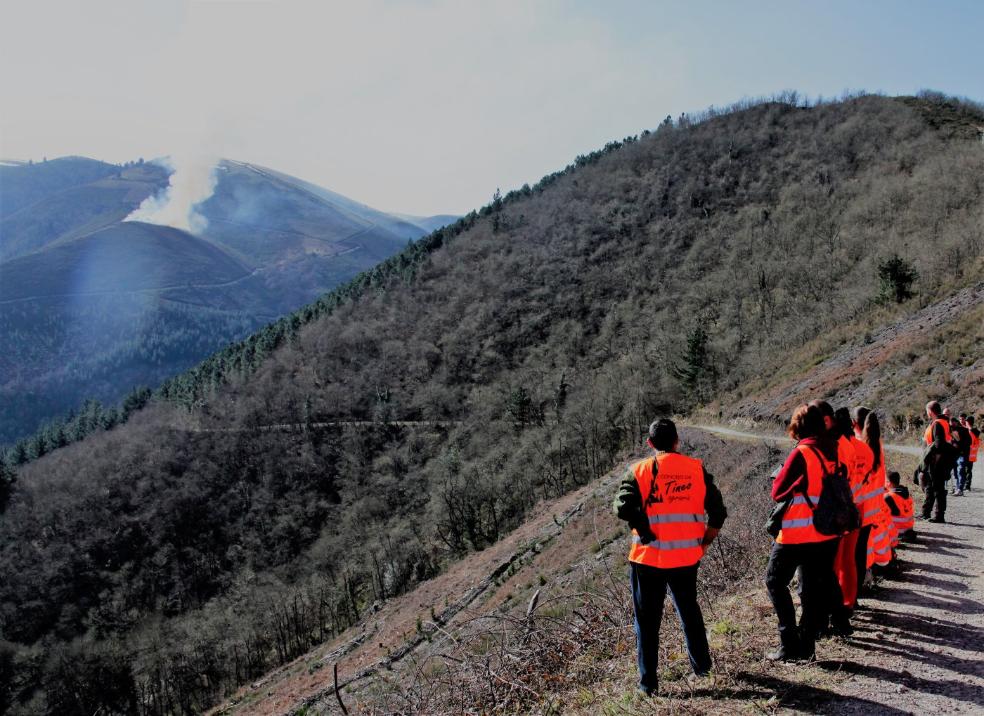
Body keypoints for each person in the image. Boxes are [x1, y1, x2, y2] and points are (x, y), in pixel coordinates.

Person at [613, 418, 727, 696]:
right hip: (687, 558)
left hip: (647, 560)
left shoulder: (638, 471)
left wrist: (642, 524)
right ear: (677, 441)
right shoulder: (696, 469)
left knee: (647, 622)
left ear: (650, 444)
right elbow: (719, 512)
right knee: (689, 611)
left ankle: (648, 685)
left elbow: (621, 507)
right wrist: (705, 542)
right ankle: (703, 668)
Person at [765, 404, 841, 662]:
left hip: (798, 532)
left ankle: (788, 642)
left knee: (775, 582)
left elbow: (777, 492)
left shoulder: (802, 452)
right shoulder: (833, 450)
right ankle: (807, 648)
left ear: (798, 426)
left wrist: (797, 484)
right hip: (827, 532)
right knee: (812, 592)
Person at [851, 407, 881, 606]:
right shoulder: (876, 443)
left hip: (859, 509)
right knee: (861, 553)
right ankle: (860, 587)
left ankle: (853, 594)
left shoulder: (858, 446)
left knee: (851, 556)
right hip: (872, 510)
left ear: (854, 424)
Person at [922, 401, 955, 523]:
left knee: (938, 489)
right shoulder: (944, 422)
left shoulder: (937, 424)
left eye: (927, 411)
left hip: (937, 461)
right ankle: (926, 512)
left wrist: (928, 457)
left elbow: (938, 443)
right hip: (940, 460)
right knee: (931, 487)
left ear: (930, 411)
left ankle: (939, 515)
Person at [884, 471, 915, 543]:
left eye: (885, 481)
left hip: (898, 531)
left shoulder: (888, 497)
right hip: (908, 528)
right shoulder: (905, 493)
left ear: (889, 482)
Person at [950, 415, 971, 496]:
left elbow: (969, 442)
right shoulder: (950, 431)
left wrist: (959, 444)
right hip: (954, 454)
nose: (951, 425)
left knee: (961, 470)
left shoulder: (964, 430)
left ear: (956, 422)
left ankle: (960, 489)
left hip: (962, 453)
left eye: (952, 424)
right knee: (955, 472)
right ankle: (957, 488)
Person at [963, 415, 979, 491]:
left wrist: (968, 427)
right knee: (965, 470)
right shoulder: (968, 430)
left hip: (970, 454)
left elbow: (974, 432)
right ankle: (964, 485)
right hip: (967, 453)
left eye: (966, 421)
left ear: (968, 422)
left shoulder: (974, 430)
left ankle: (967, 486)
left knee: (968, 470)